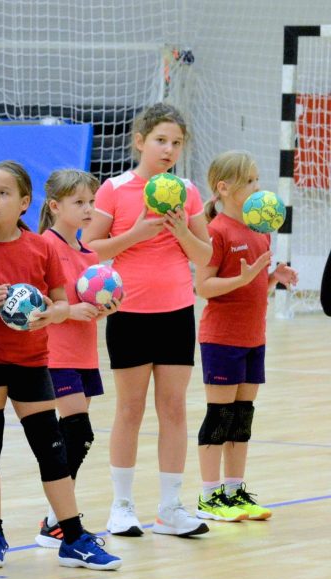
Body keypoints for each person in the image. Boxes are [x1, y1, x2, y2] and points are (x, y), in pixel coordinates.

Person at [0, 161, 121, 570]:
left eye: (3, 193)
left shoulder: (41, 248)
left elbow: (61, 302)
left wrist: (51, 313)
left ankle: (73, 537)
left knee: (52, 449)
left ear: (25, 202)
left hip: (31, 362)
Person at [83, 103, 214, 538]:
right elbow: (90, 247)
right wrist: (137, 233)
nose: (169, 149)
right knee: (130, 409)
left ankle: (170, 508)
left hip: (176, 313)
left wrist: (181, 230)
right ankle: (121, 506)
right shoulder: (115, 189)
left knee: (174, 408)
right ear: (140, 141)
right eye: (161, 140)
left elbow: (205, 256)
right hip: (129, 314)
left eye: (177, 142)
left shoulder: (188, 191)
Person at [194, 151, 297, 522]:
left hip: (254, 338)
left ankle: (234, 492)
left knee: (242, 417)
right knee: (219, 416)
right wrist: (242, 278)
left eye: (257, 179)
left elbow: (253, 288)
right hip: (222, 338)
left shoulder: (260, 230)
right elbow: (203, 287)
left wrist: (272, 278)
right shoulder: (217, 231)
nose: (257, 186)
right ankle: (209, 497)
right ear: (224, 188)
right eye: (249, 181)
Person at [34, 168, 122, 547]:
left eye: (92, 202)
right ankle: (58, 521)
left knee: (77, 437)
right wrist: (69, 310)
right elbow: (34, 305)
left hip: (85, 353)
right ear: (55, 206)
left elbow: (88, 305)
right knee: (77, 431)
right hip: (56, 353)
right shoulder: (44, 246)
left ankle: (56, 519)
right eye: (79, 202)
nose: (89, 209)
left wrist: (104, 308)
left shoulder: (90, 254)